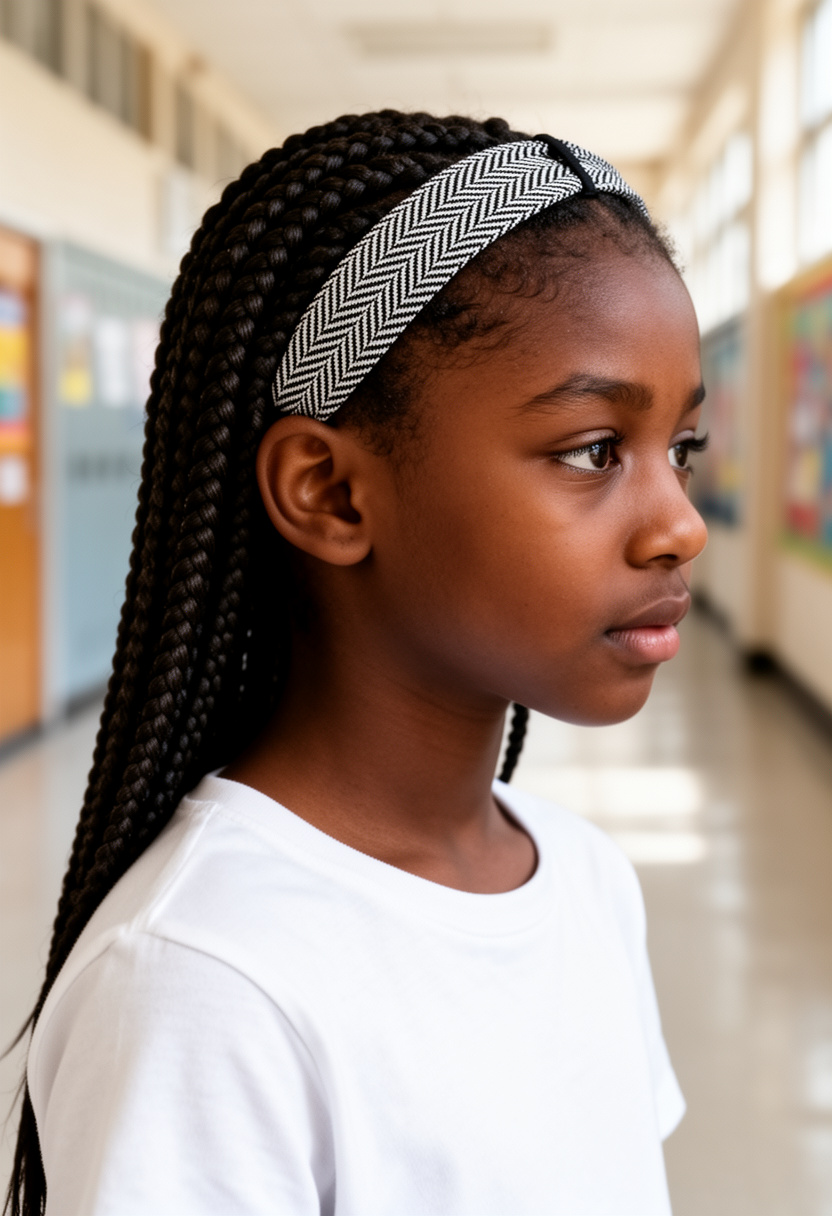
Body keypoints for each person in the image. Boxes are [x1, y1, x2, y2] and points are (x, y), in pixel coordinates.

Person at [7, 111, 708, 1216]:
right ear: (330, 493)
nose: (679, 523)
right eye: (591, 451)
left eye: (681, 449)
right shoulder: (208, 974)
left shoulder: (583, 879)